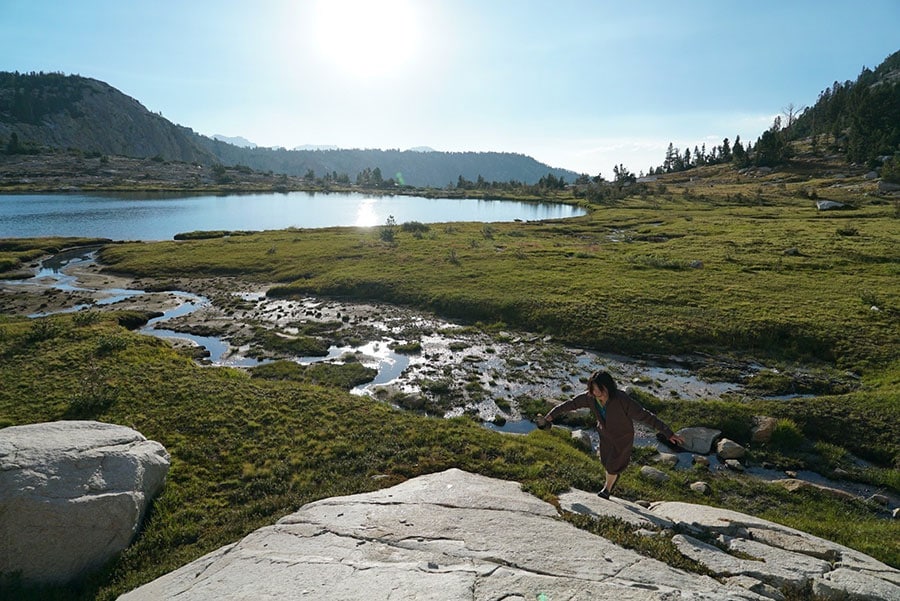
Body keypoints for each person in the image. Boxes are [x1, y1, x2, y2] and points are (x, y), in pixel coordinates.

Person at [538, 370, 685, 499]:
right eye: (593, 389)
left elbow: (645, 416)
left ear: (608, 387)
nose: (596, 393)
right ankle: (612, 479)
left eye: (599, 389)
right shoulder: (590, 398)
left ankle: (606, 490)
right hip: (604, 434)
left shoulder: (622, 399)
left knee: (612, 465)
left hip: (623, 437)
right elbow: (570, 404)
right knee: (605, 461)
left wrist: (668, 433)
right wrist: (549, 417)